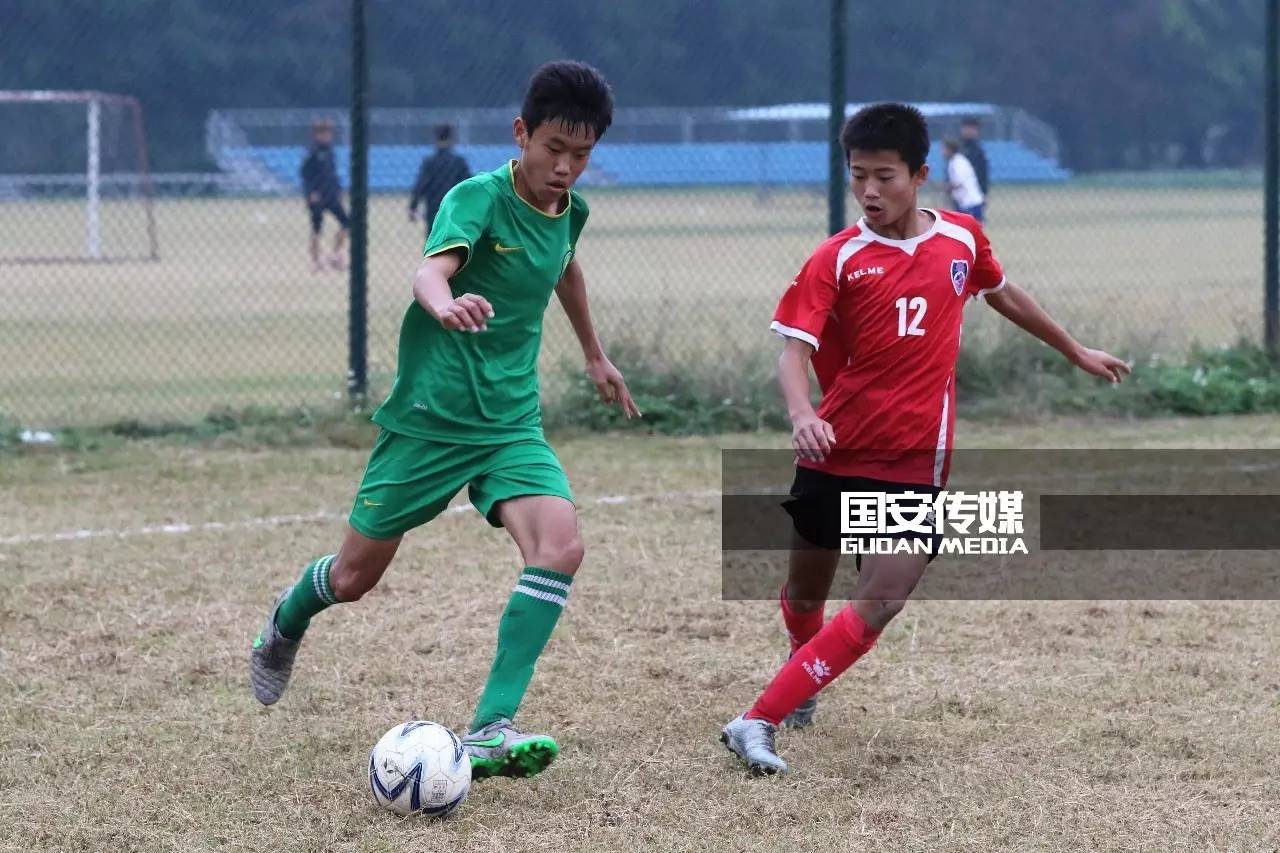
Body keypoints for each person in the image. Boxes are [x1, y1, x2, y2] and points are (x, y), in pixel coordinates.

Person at [252, 60, 640, 782]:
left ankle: (491, 726)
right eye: (552, 148)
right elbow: (432, 270)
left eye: (580, 155)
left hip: (510, 424)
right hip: (431, 420)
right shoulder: (477, 197)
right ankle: (286, 619)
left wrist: (595, 354)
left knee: (560, 547)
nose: (564, 167)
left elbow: (565, 268)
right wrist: (444, 301)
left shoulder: (571, 212)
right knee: (354, 575)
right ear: (521, 133)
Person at [719, 103, 1129, 775]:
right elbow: (791, 353)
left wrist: (1073, 347)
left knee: (882, 597)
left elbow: (1003, 292)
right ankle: (800, 676)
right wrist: (801, 413)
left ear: (920, 174)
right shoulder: (837, 259)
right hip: (834, 451)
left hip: (914, 460)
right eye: (859, 177)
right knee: (804, 594)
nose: (871, 191)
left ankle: (757, 717)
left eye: (885, 176)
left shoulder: (962, 241)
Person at [300, 118, 349, 272]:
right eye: (324, 133)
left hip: (331, 195)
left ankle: (335, 253)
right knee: (317, 228)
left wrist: (339, 188)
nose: (328, 136)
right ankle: (316, 261)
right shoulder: (312, 152)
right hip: (317, 196)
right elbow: (305, 175)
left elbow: (332, 173)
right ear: (317, 135)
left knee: (347, 223)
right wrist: (310, 193)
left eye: (329, 133)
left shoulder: (330, 151)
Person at [409, 124, 473, 236]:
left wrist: (413, 206)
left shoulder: (429, 162)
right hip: (455, 208)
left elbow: (421, 186)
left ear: (435, 138)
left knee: (434, 243)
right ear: (451, 138)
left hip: (434, 210)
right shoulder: (459, 162)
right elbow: (469, 186)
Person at [942, 137, 986, 222]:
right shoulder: (953, 161)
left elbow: (958, 182)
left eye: (944, 149)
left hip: (971, 203)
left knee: (971, 232)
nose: (942, 152)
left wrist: (946, 187)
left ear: (950, 149)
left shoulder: (959, 162)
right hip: (964, 203)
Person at [960, 117, 990, 198]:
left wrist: (984, 192)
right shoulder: (958, 148)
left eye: (973, 128)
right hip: (959, 191)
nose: (969, 131)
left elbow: (983, 174)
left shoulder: (979, 151)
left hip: (974, 192)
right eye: (966, 128)